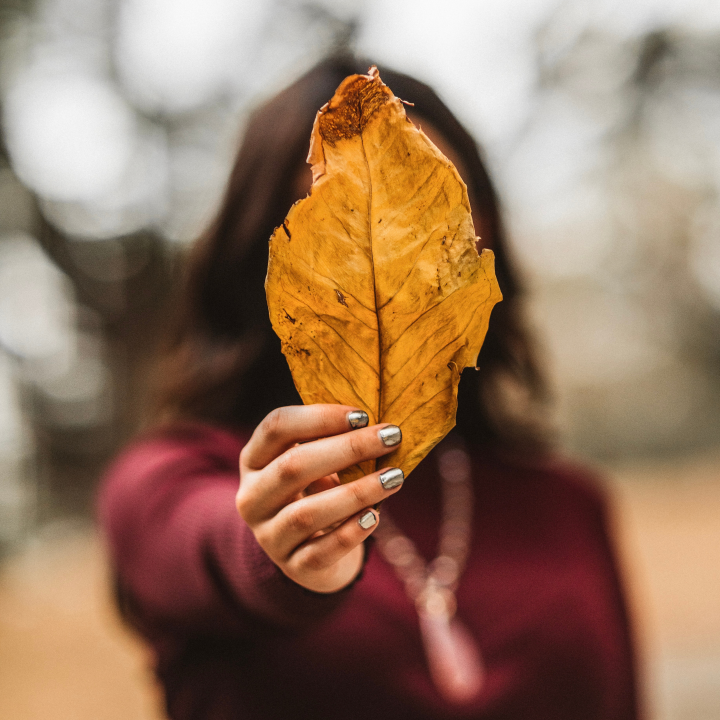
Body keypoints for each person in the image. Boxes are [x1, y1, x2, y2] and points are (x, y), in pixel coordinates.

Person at [98, 55, 640, 720]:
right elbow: (210, 545)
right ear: (260, 256)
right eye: (334, 221)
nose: (392, 262)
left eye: (431, 215)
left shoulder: (568, 506)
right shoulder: (165, 481)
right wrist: (278, 548)